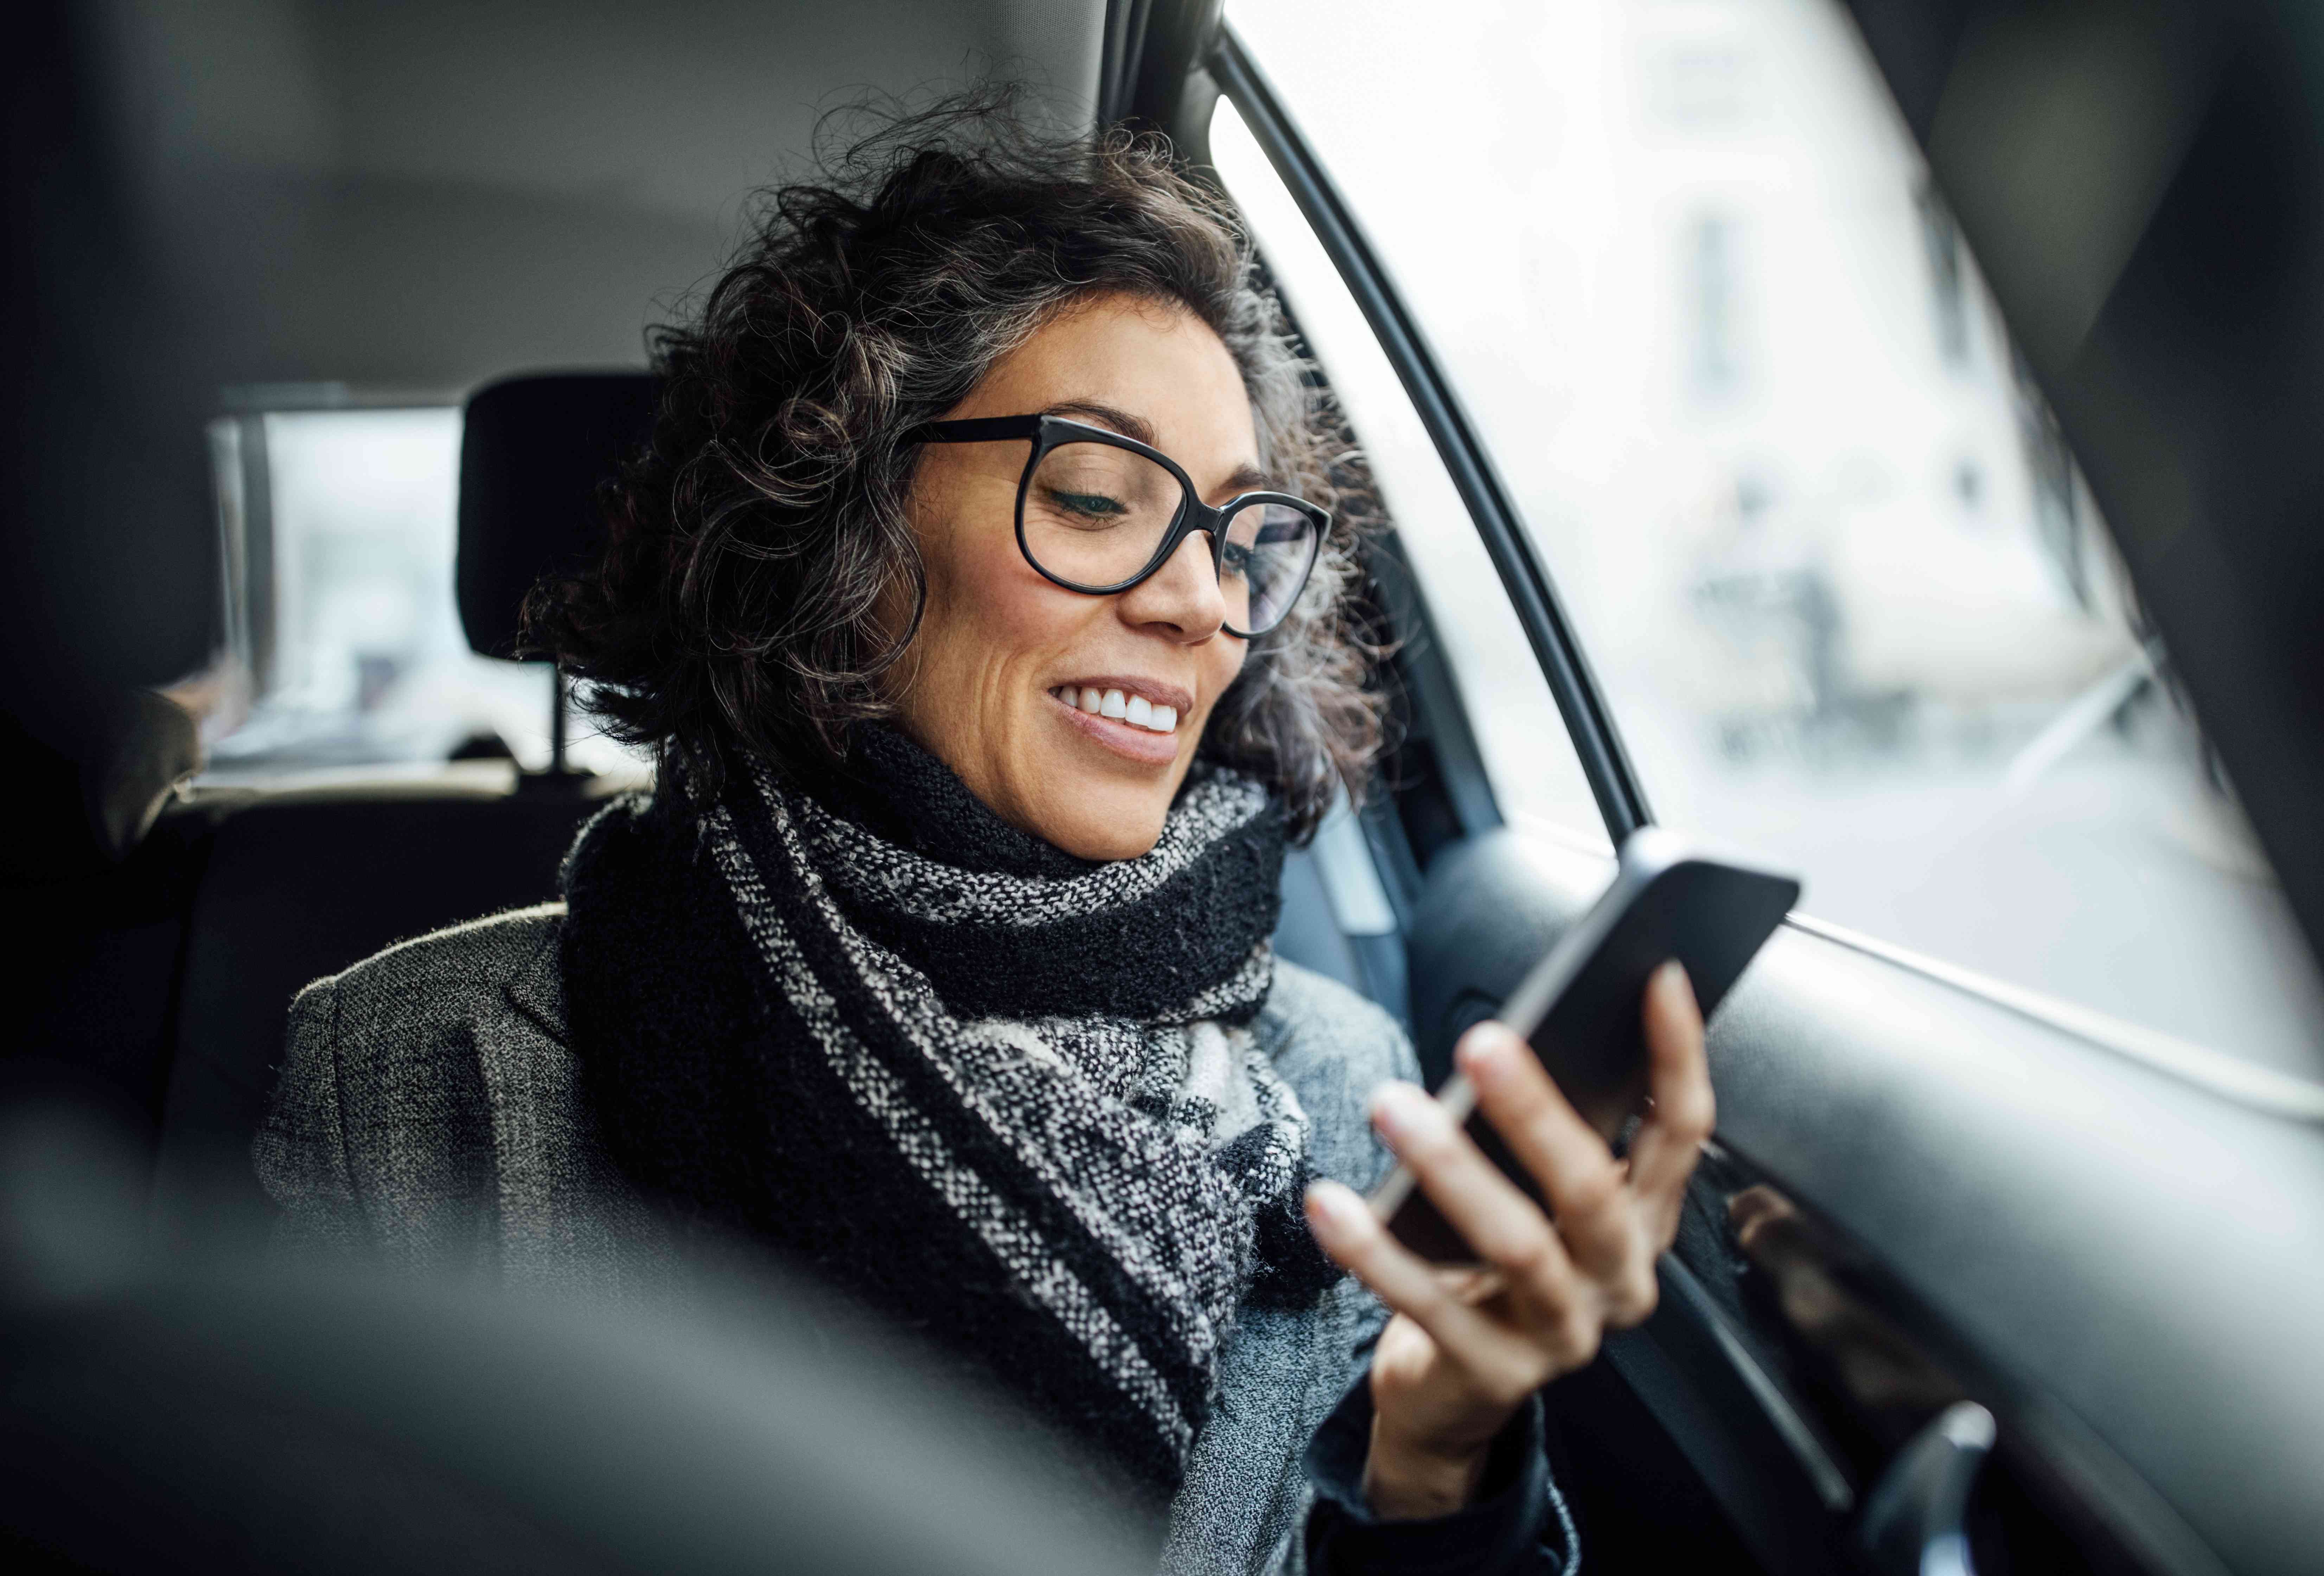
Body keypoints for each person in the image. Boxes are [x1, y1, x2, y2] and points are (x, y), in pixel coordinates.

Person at [254, 103, 1715, 1576]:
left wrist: (1438, 1456)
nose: (1201, 603)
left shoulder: (1345, 1090)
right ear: (843, 524)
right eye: (1097, 497)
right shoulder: (406, 1067)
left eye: (1236, 537)